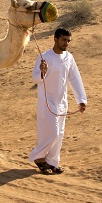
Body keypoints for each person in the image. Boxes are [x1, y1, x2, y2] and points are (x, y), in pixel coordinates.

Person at [28, 27, 87, 174]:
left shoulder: (69, 58)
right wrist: (43, 71)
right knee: (52, 133)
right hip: (46, 102)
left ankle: (52, 162)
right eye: (64, 40)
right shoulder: (45, 57)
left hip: (62, 102)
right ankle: (39, 157)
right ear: (55, 39)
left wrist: (81, 100)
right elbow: (35, 78)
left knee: (59, 134)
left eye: (68, 41)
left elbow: (74, 78)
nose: (66, 43)